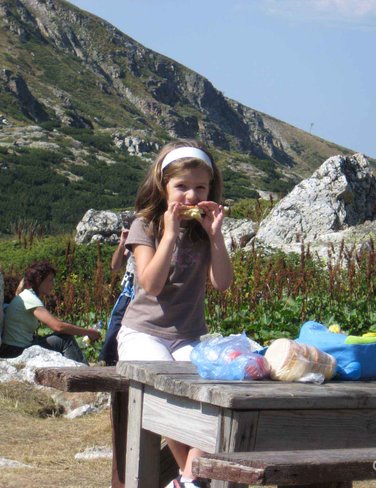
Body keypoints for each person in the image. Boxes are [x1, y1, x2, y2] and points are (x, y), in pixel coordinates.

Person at [118, 139, 233, 488]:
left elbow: (222, 283)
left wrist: (215, 237)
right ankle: (193, 479)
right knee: (168, 392)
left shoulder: (203, 229)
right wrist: (169, 235)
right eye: (181, 187)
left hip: (187, 334)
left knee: (214, 393)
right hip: (143, 331)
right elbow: (150, 285)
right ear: (162, 186)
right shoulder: (145, 224)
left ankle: (186, 479)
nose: (192, 196)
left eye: (201, 187)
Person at [0, 260, 101, 364]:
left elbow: (57, 322)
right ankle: (83, 372)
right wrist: (89, 332)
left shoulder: (27, 296)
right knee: (65, 339)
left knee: (59, 336)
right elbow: (58, 326)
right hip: (15, 352)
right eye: (49, 280)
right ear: (38, 280)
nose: (52, 284)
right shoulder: (30, 298)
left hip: (14, 348)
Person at [97, 228, 135, 365]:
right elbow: (114, 266)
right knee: (115, 327)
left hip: (144, 291)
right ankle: (106, 360)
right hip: (130, 289)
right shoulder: (138, 231)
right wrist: (122, 244)